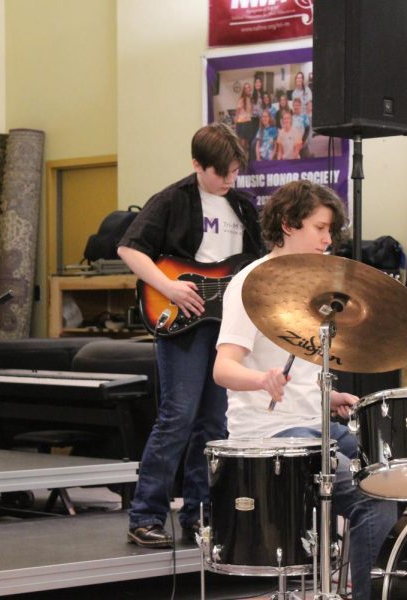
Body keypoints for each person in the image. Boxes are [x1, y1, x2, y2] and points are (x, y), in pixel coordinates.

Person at [213, 180, 396, 600]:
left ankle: (357, 584)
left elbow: (299, 378)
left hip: (312, 424)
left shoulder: (312, 290)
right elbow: (223, 369)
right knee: (369, 497)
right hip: (270, 434)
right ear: (288, 224)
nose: (329, 239)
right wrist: (262, 381)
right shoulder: (250, 286)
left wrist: (327, 398)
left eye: (331, 230)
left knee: (391, 475)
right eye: (320, 228)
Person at [118, 122, 265, 548]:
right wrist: (168, 287)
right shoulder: (172, 200)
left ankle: (200, 515)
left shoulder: (243, 206)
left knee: (214, 423)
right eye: (221, 172)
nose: (229, 179)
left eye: (235, 172)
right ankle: (145, 515)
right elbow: (129, 248)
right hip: (182, 318)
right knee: (177, 415)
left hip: (226, 323)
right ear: (198, 165)